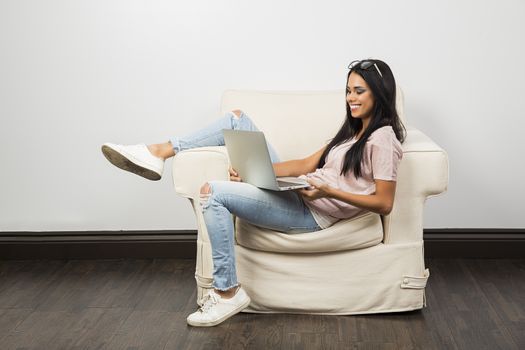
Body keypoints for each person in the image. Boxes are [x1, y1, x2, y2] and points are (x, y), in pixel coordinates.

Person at [101, 59, 406, 327]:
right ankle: (158, 151)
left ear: (379, 93)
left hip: (312, 212)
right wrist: (255, 172)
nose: (350, 98)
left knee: (212, 193)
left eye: (359, 91)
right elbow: (305, 163)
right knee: (237, 118)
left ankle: (227, 292)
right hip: (301, 190)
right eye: (348, 90)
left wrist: (330, 190)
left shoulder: (383, 140)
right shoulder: (354, 131)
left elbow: (384, 202)